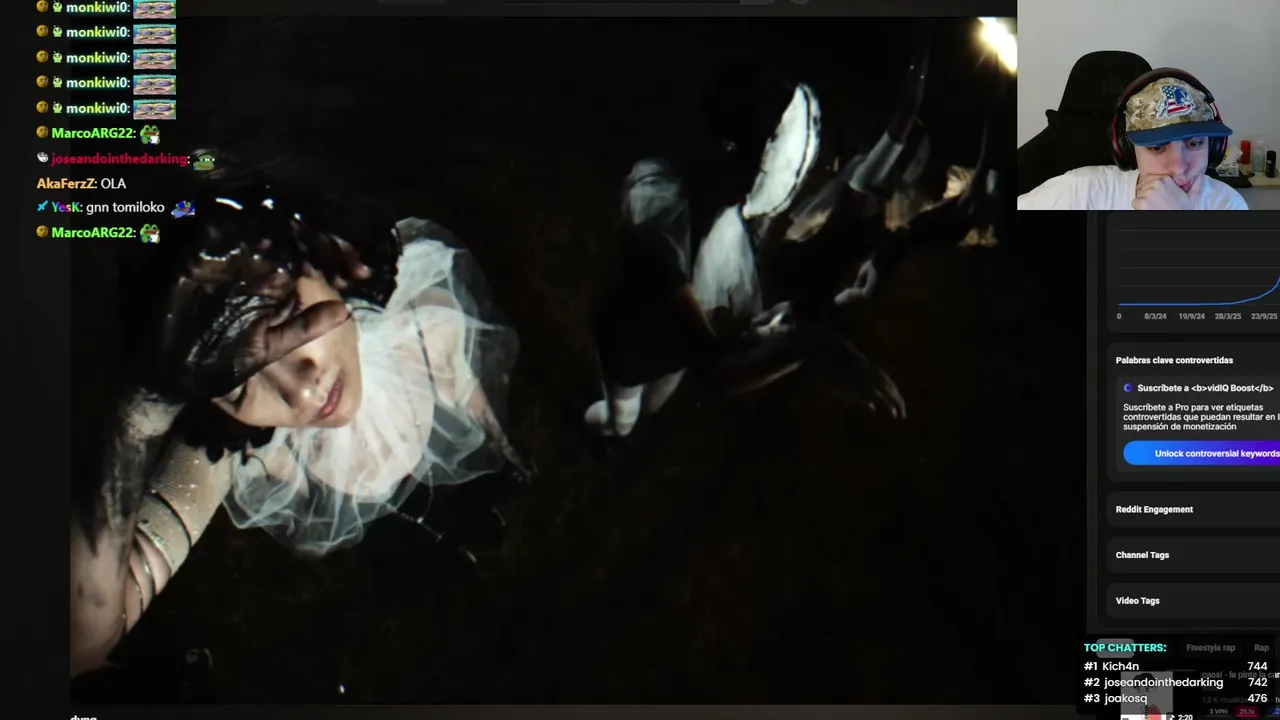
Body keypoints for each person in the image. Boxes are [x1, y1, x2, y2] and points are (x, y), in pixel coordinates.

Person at [70, 165, 533, 676]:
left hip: (456, 484)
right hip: (389, 533)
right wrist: (142, 410)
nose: (304, 392)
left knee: (469, 497)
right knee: (411, 548)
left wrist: (496, 439)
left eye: (287, 316)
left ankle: (476, 518)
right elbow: (79, 644)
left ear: (318, 255)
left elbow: (462, 381)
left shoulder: (414, 309)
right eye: (238, 385)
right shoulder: (237, 449)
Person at [583, 68, 822, 437]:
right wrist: (810, 346)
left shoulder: (732, 209)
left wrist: (761, 333)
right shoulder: (660, 203)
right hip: (632, 343)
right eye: (774, 153)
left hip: (673, 352)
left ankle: (623, 427)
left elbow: (716, 320)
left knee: (652, 406)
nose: (782, 173)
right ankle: (610, 433)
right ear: (731, 148)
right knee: (622, 418)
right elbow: (714, 368)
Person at [1018, 68, 1248, 210]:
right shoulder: (1077, 192)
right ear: (1128, 148)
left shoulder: (1228, 205)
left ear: (1213, 146)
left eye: (1194, 143)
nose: (1179, 168)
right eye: (1157, 147)